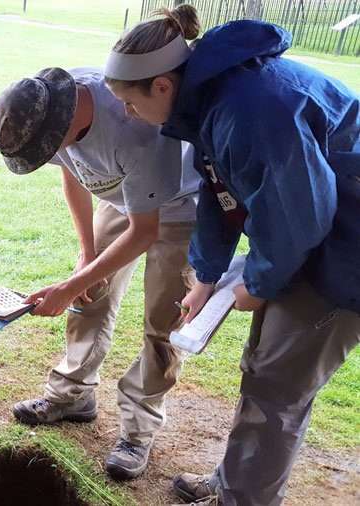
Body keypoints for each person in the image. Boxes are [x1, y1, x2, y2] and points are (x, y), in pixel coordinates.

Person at [102, 5, 360, 505]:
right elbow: (218, 191)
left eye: (129, 104)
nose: (129, 116)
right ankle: (234, 484)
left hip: (347, 248)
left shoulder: (248, 109)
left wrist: (257, 284)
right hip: (321, 231)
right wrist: (207, 275)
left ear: (161, 85)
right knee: (265, 367)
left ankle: (242, 499)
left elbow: (300, 214)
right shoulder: (210, 97)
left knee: (277, 386)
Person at [0, 63, 200, 480]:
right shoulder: (53, 104)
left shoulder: (134, 130)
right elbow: (74, 173)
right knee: (89, 296)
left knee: (164, 321)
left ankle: (139, 428)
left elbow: (145, 231)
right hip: (119, 198)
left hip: (177, 209)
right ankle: (72, 394)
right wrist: (86, 256)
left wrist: (69, 285)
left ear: (64, 123)